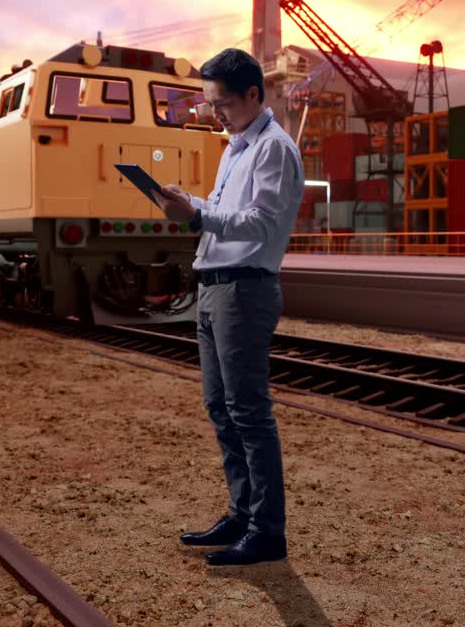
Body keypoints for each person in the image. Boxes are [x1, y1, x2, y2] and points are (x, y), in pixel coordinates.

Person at [155, 48, 305, 567]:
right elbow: (226, 211)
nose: (214, 113)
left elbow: (261, 222)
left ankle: (268, 531)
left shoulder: (274, 150)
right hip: (214, 285)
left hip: (245, 289)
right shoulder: (235, 149)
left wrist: (199, 221)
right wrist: (191, 204)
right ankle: (243, 515)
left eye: (221, 104)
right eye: (210, 104)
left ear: (253, 96)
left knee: (249, 413)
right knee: (222, 409)